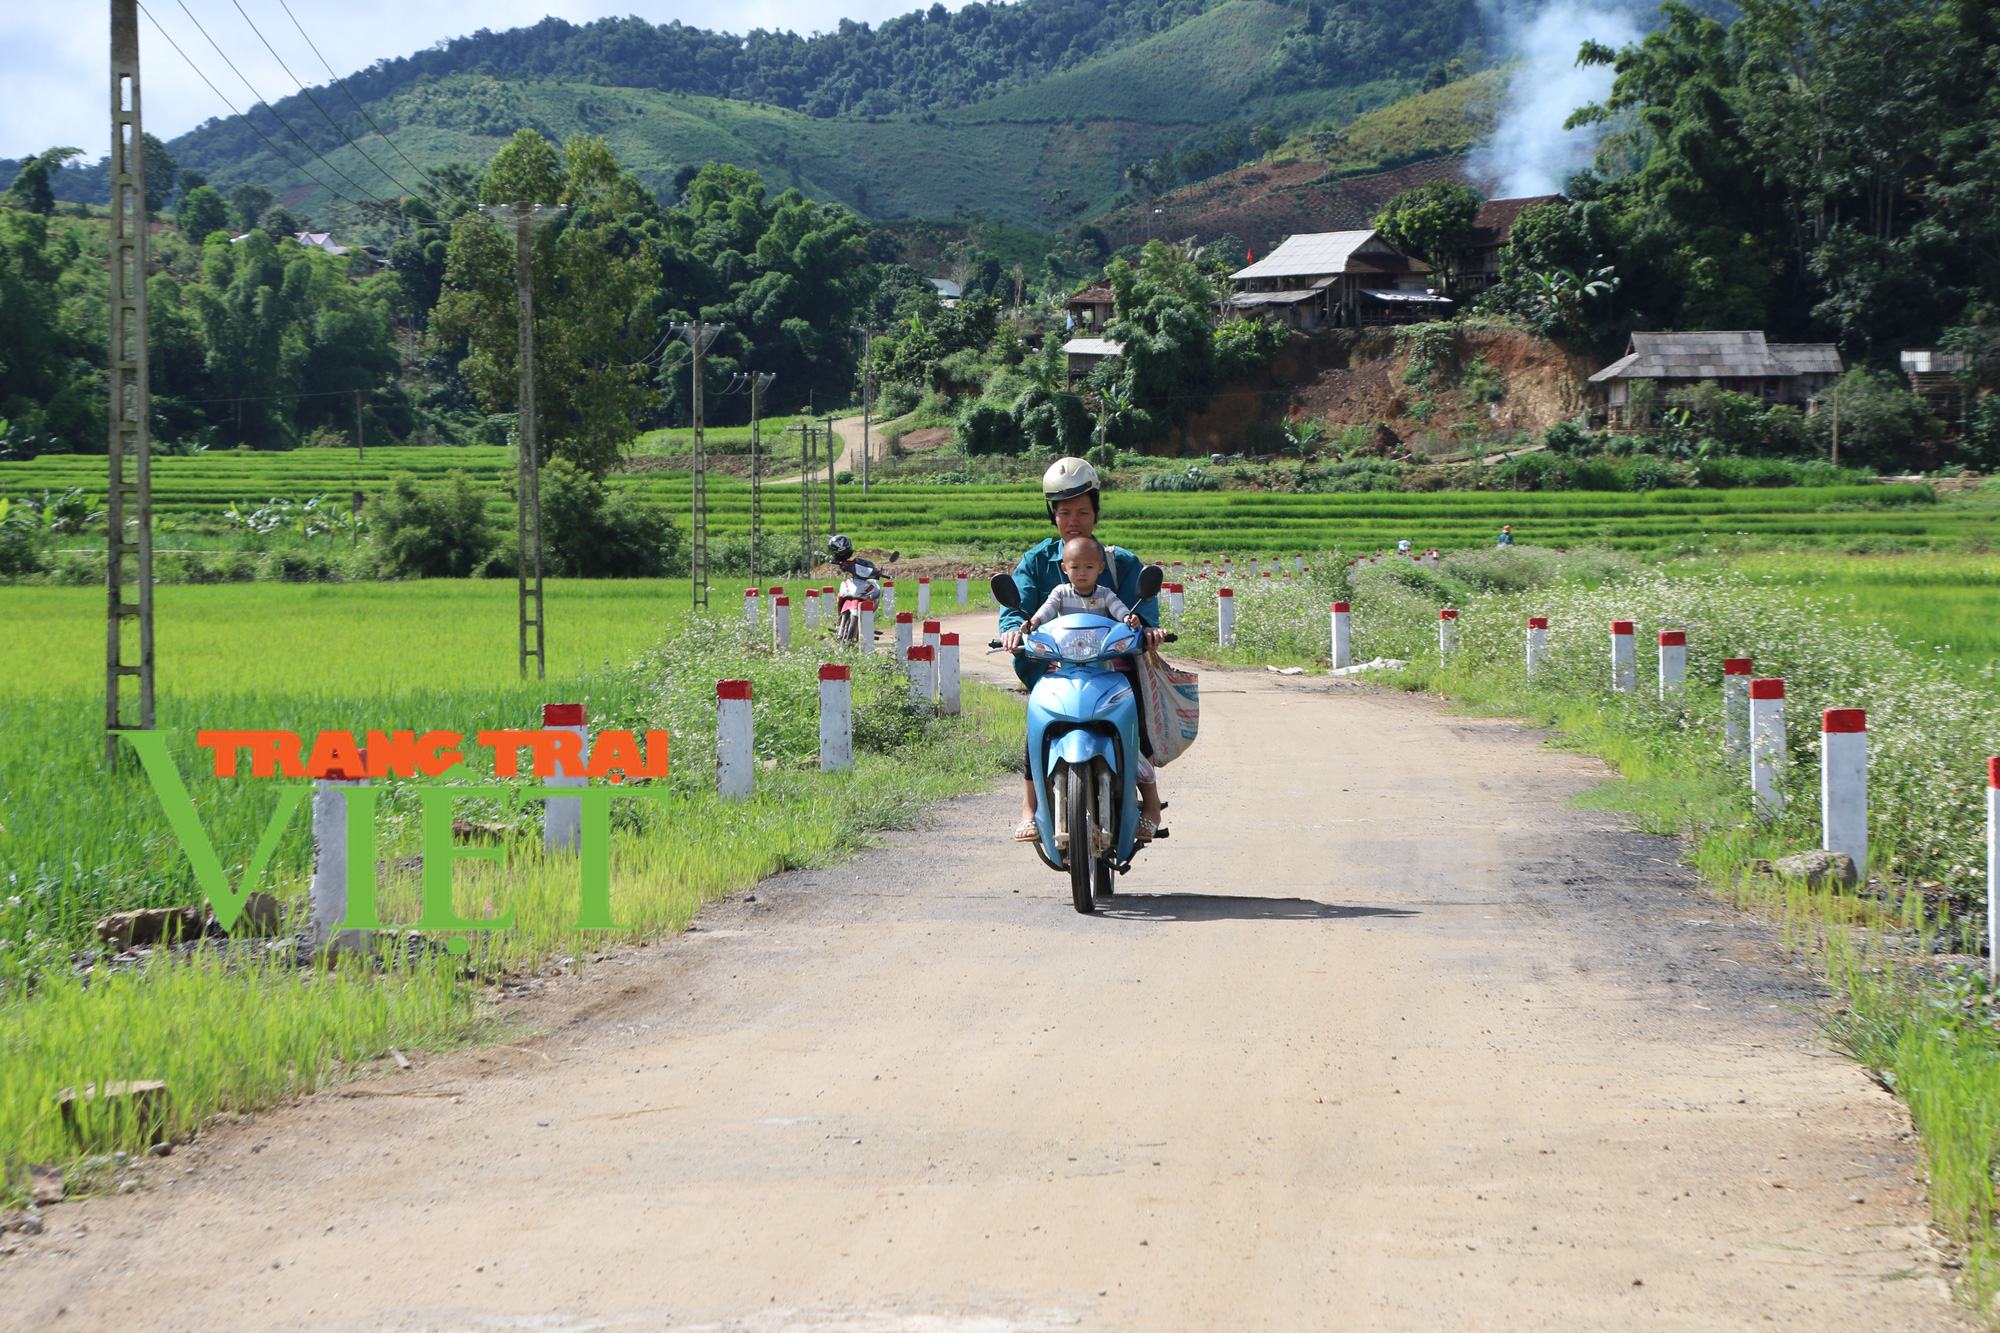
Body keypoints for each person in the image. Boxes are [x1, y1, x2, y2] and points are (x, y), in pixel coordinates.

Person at [999, 458, 1169, 843]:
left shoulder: (1117, 562)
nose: (1073, 520)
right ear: (1052, 515)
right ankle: (1030, 808)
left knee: (1135, 717)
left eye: (1082, 511)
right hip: (1054, 669)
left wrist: (1149, 631)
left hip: (1112, 669)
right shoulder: (1038, 562)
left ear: (1096, 513)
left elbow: (1141, 614)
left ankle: (1151, 802)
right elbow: (1020, 609)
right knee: (1035, 726)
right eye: (1064, 512)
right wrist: (1013, 631)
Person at [1023, 536, 1143, 633]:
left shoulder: (1104, 594)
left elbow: (1117, 607)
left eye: (1089, 567)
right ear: (1065, 568)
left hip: (1098, 650)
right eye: (1075, 567)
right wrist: (1035, 620)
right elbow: (1048, 608)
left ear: (1100, 568)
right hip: (1067, 648)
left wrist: (1127, 617)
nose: (1082, 573)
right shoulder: (1061, 592)